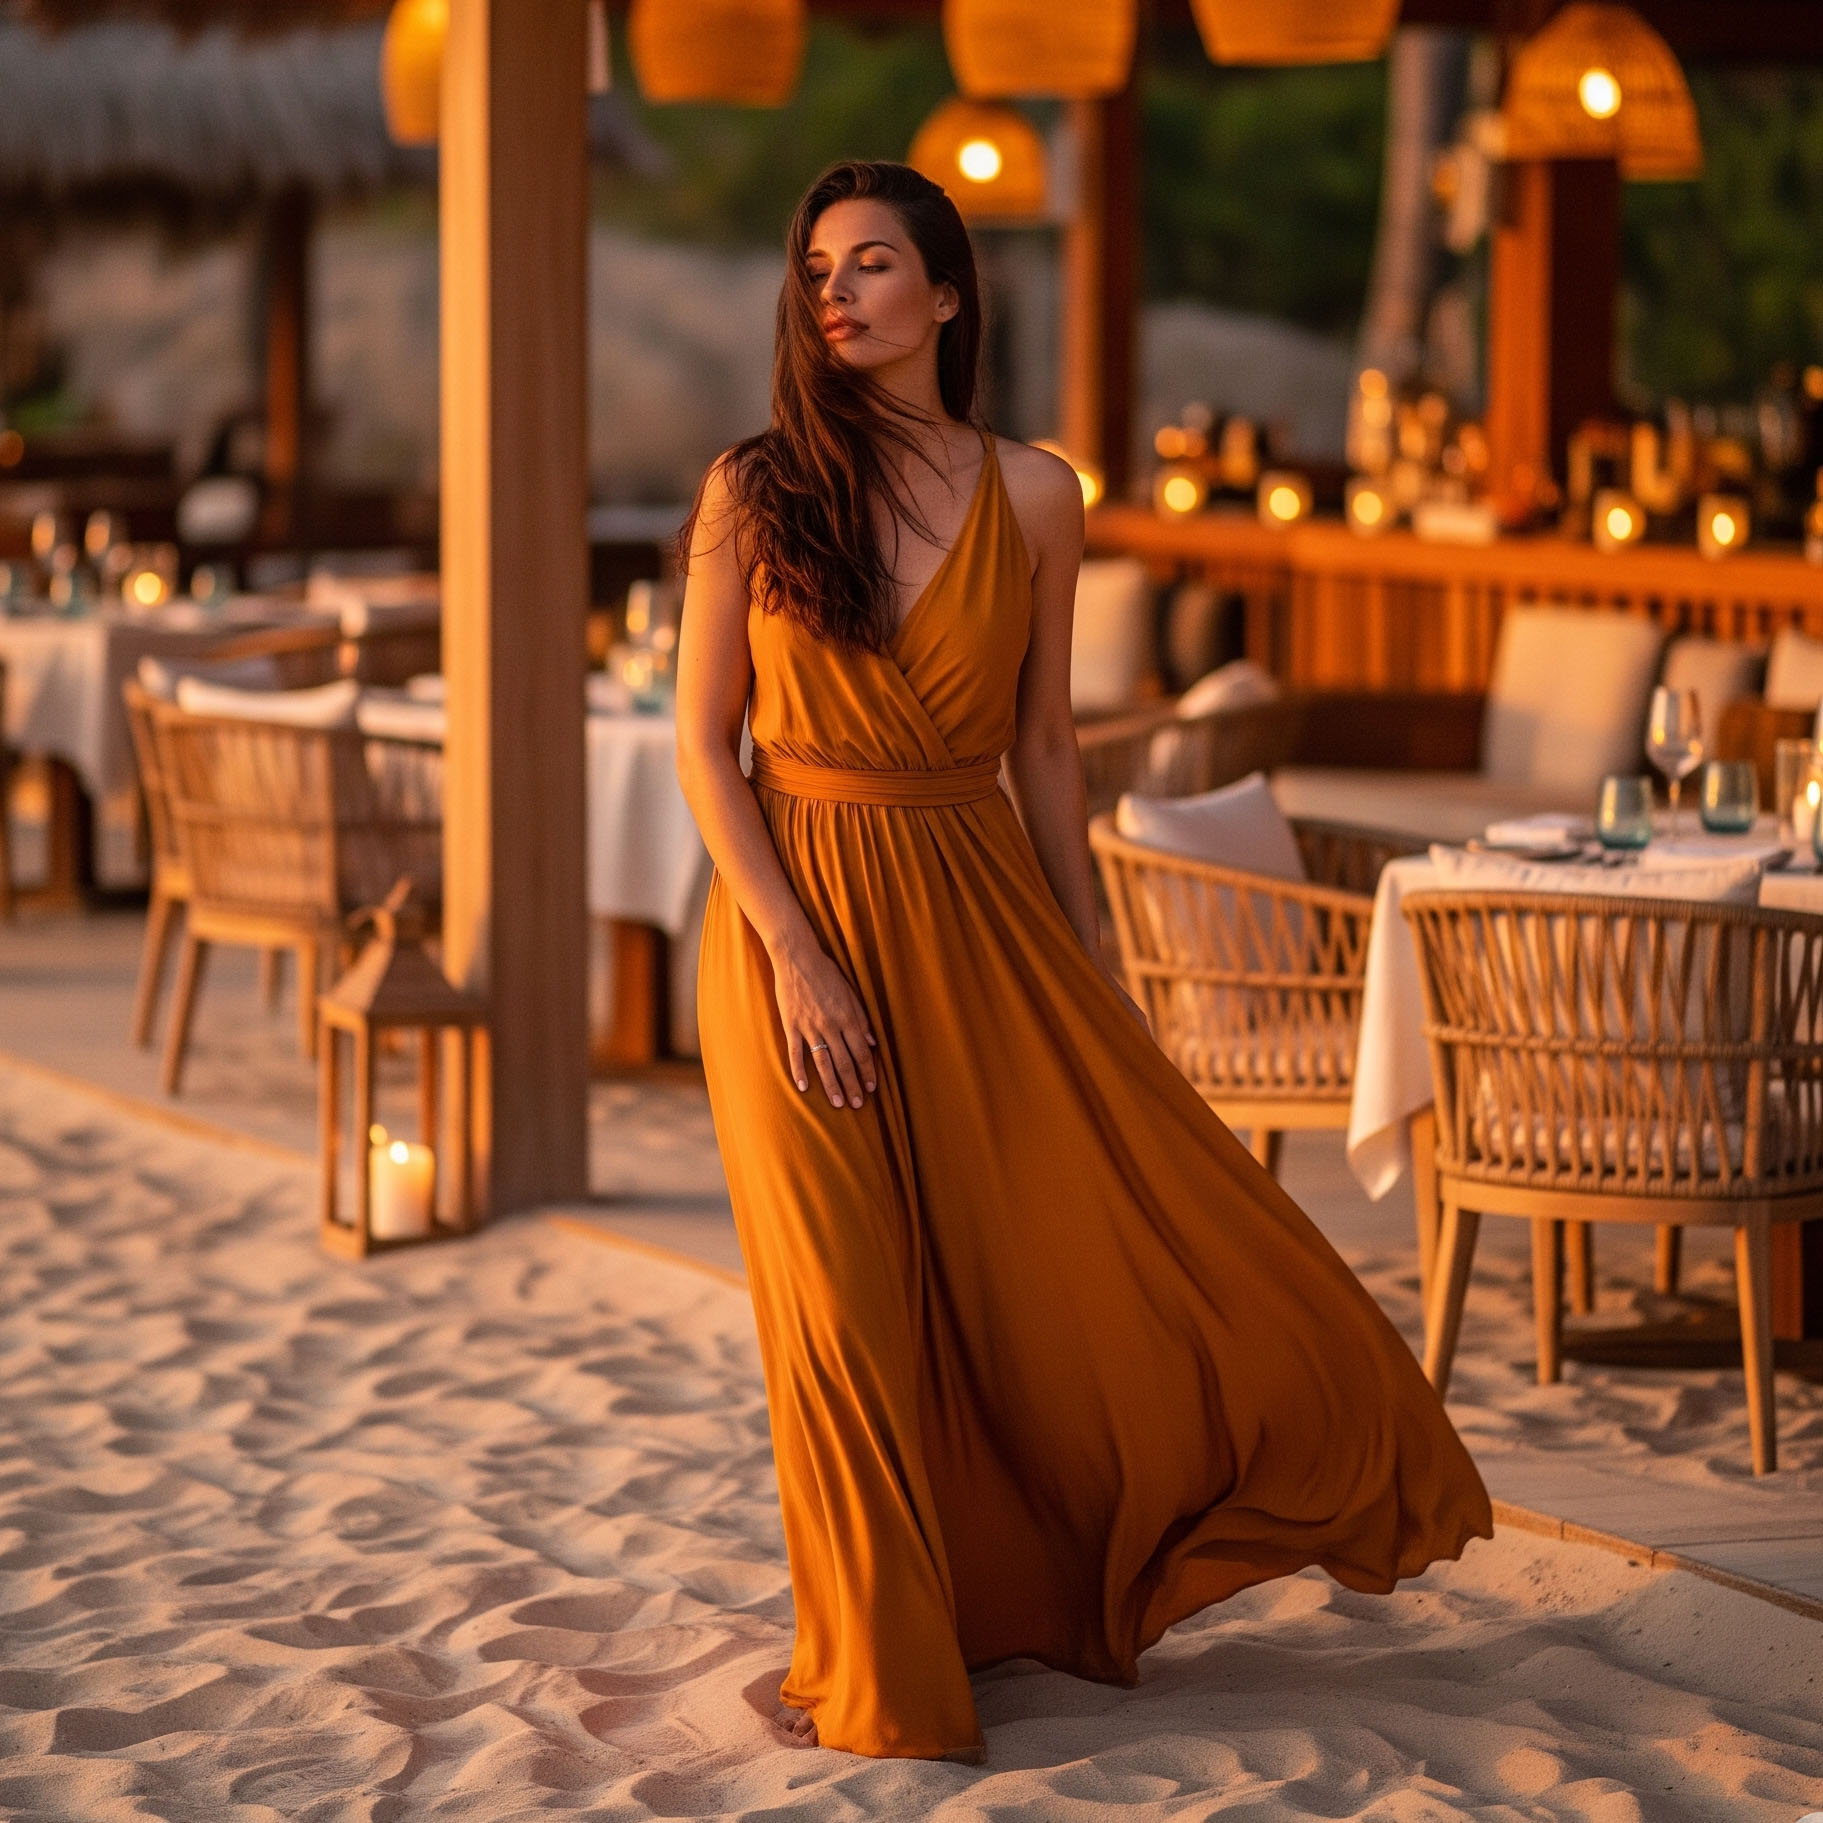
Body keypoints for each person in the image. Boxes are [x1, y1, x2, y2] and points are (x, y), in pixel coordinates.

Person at [674, 159, 1491, 1764]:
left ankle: (1008, 1592)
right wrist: (797, 954)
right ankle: (875, 1660)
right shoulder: (751, 488)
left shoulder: (1037, 493)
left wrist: (1085, 957)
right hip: (793, 917)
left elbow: (1046, 745)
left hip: (979, 912)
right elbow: (709, 752)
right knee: (842, 1308)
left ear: (951, 297)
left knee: (1030, 1264)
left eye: (872, 266)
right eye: (816, 271)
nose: (834, 294)